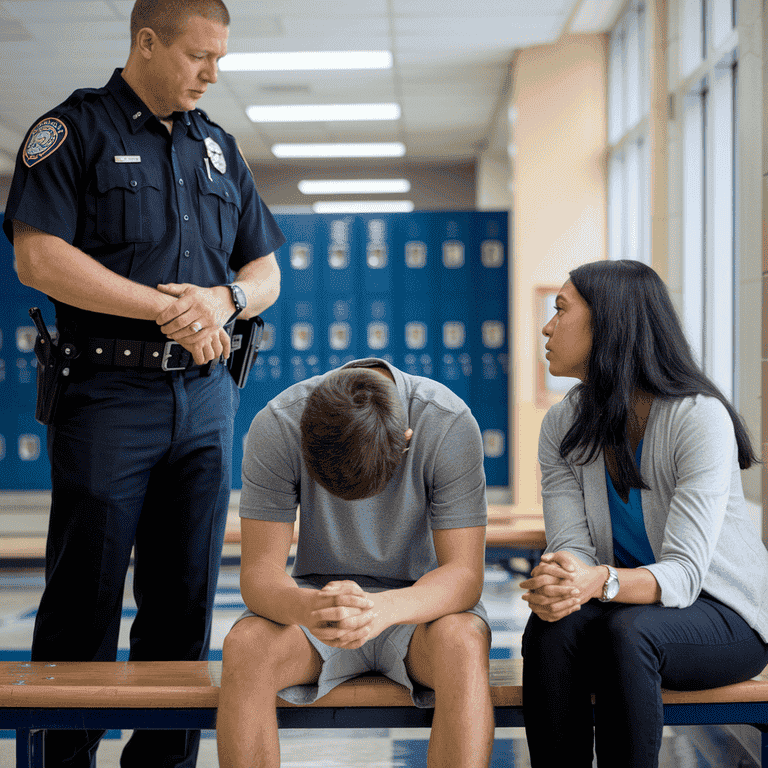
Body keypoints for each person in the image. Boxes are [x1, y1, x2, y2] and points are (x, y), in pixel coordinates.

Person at [2, 1, 284, 765]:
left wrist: (225, 300)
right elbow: (39, 257)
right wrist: (168, 308)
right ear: (147, 42)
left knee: (183, 602)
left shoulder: (219, 149)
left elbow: (266, 270)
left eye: (220, 58)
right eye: (199, 56)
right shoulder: (73, 132)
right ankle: (62, 761)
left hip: (204, 398)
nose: (212, 73)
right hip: (106, 395)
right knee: (83, 600)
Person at [520, 259, 768, 767]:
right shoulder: (564, 423)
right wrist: (563, 580)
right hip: (628, 611)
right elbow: (571, 547)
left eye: (560, 311)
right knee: (550, 627)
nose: (547, 326)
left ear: (609, 325)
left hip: (724, 616)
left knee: (629, 633)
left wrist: (597, 582)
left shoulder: (697, 417)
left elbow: (684, 576)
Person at [216, 358, 494, 768]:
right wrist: (309, 608)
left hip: (421, 613)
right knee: (244, 647)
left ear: (406, 439)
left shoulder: (448, 423)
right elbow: (259, 573)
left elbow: (465, 575)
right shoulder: (278, 425)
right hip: (317, 609)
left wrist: (381, 610)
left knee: (465, 645)